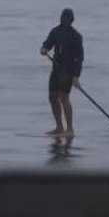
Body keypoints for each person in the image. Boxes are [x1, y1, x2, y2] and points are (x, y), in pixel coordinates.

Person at [40, 8, 83, 137]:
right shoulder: (55, 31)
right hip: (56, 69)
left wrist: (76, 76)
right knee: (52, 97)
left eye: (68, 19)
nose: (65, 21)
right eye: (63, 18)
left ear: (72, 20)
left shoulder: (76, 36)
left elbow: (79, 58)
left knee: (64, 97)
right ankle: (59, 127)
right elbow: (48, 44)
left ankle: (70, 129)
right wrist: (44, 49)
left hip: (68, 71)